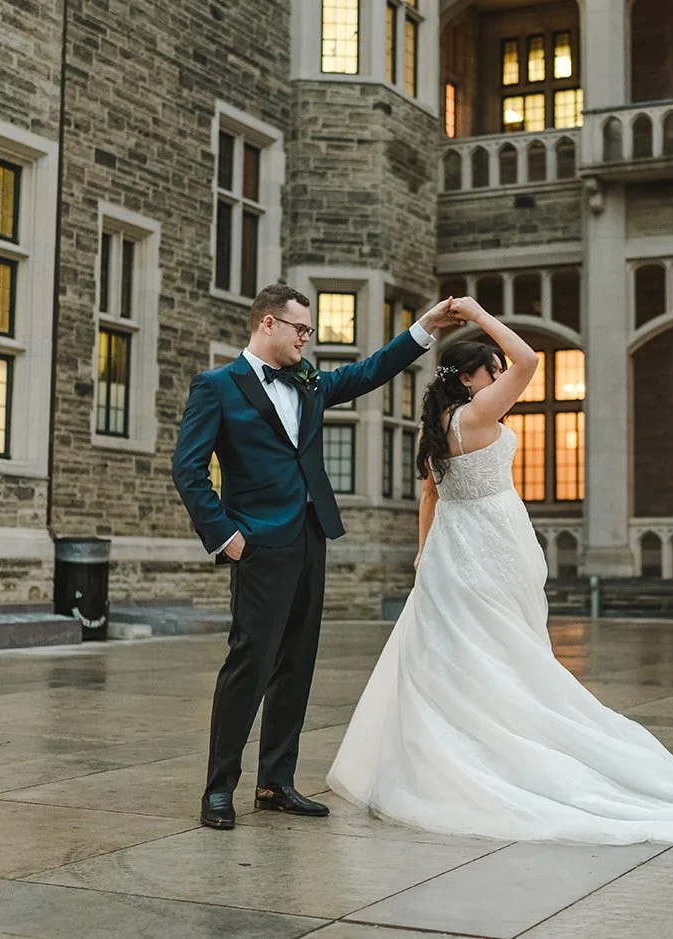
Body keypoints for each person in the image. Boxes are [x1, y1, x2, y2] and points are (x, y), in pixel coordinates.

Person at [327, 296, 673, 844]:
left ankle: (463, 743)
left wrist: (423, 552)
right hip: (493, 543)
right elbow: (529, 361)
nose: (501, 377)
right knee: (506, 650)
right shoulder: (478, 414)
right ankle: (513, 737)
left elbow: (430, 494)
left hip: (454, 549)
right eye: (489, 372)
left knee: (461, 652)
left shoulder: (441, 426)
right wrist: (478, 316)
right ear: (470, 378)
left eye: (496, 372)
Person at [171, 284, 462, 831]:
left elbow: (368, 372)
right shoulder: (216, 387)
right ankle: (219, 789)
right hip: (257, 542)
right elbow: (187, 469)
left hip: (310, 535)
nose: (308, 338)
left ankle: (276, 782)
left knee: (296, 664)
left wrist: (423, 329)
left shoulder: (307, 382)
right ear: (268, 325)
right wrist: (226, 536)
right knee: (249, 663)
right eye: (301, 329)